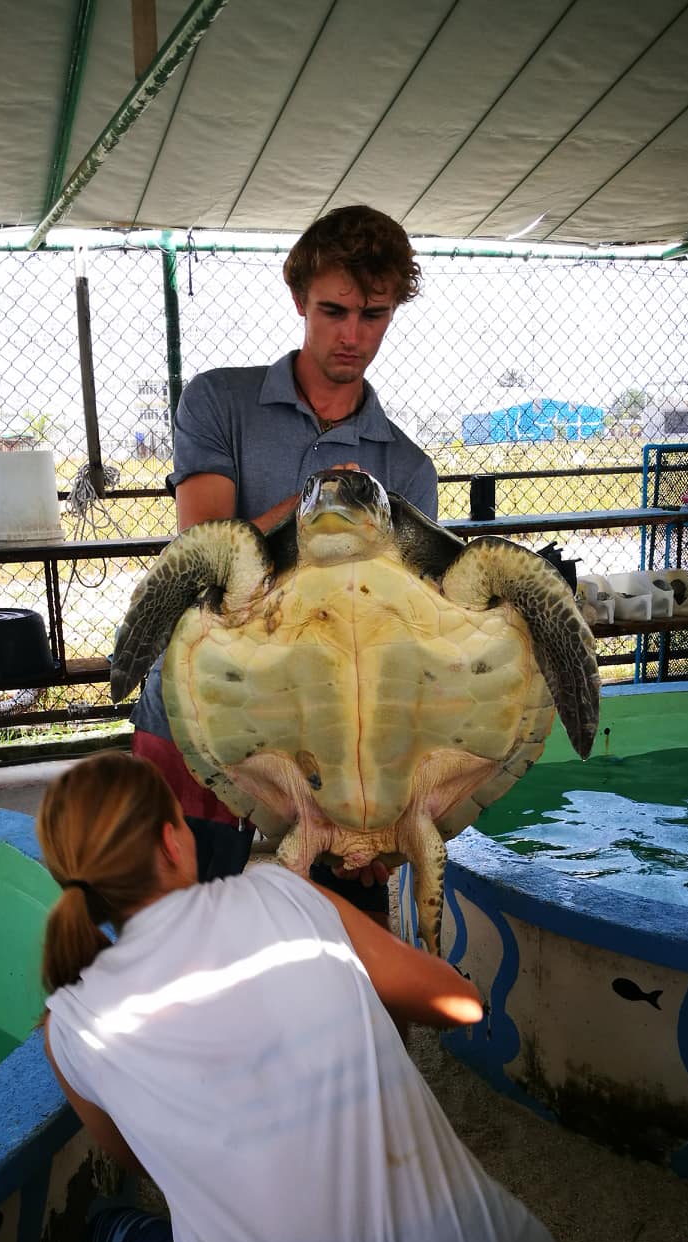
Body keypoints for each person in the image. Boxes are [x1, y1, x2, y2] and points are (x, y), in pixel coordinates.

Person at [38, 750, 579, 1242]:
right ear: (172, 839)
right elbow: (461, 1003)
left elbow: (142, 1163)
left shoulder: (67, 1024)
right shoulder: (278, 897)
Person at [128, 204, 440, 923]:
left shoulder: (409, 468)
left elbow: (403, 640)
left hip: (325, 747)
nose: (354, 335)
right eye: (334, 310)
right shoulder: (218, 402)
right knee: (172, 926)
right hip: (196, 708)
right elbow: (204, 555)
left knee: (344, 946)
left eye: (375, 314)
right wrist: (324, 504)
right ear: (299, 297)